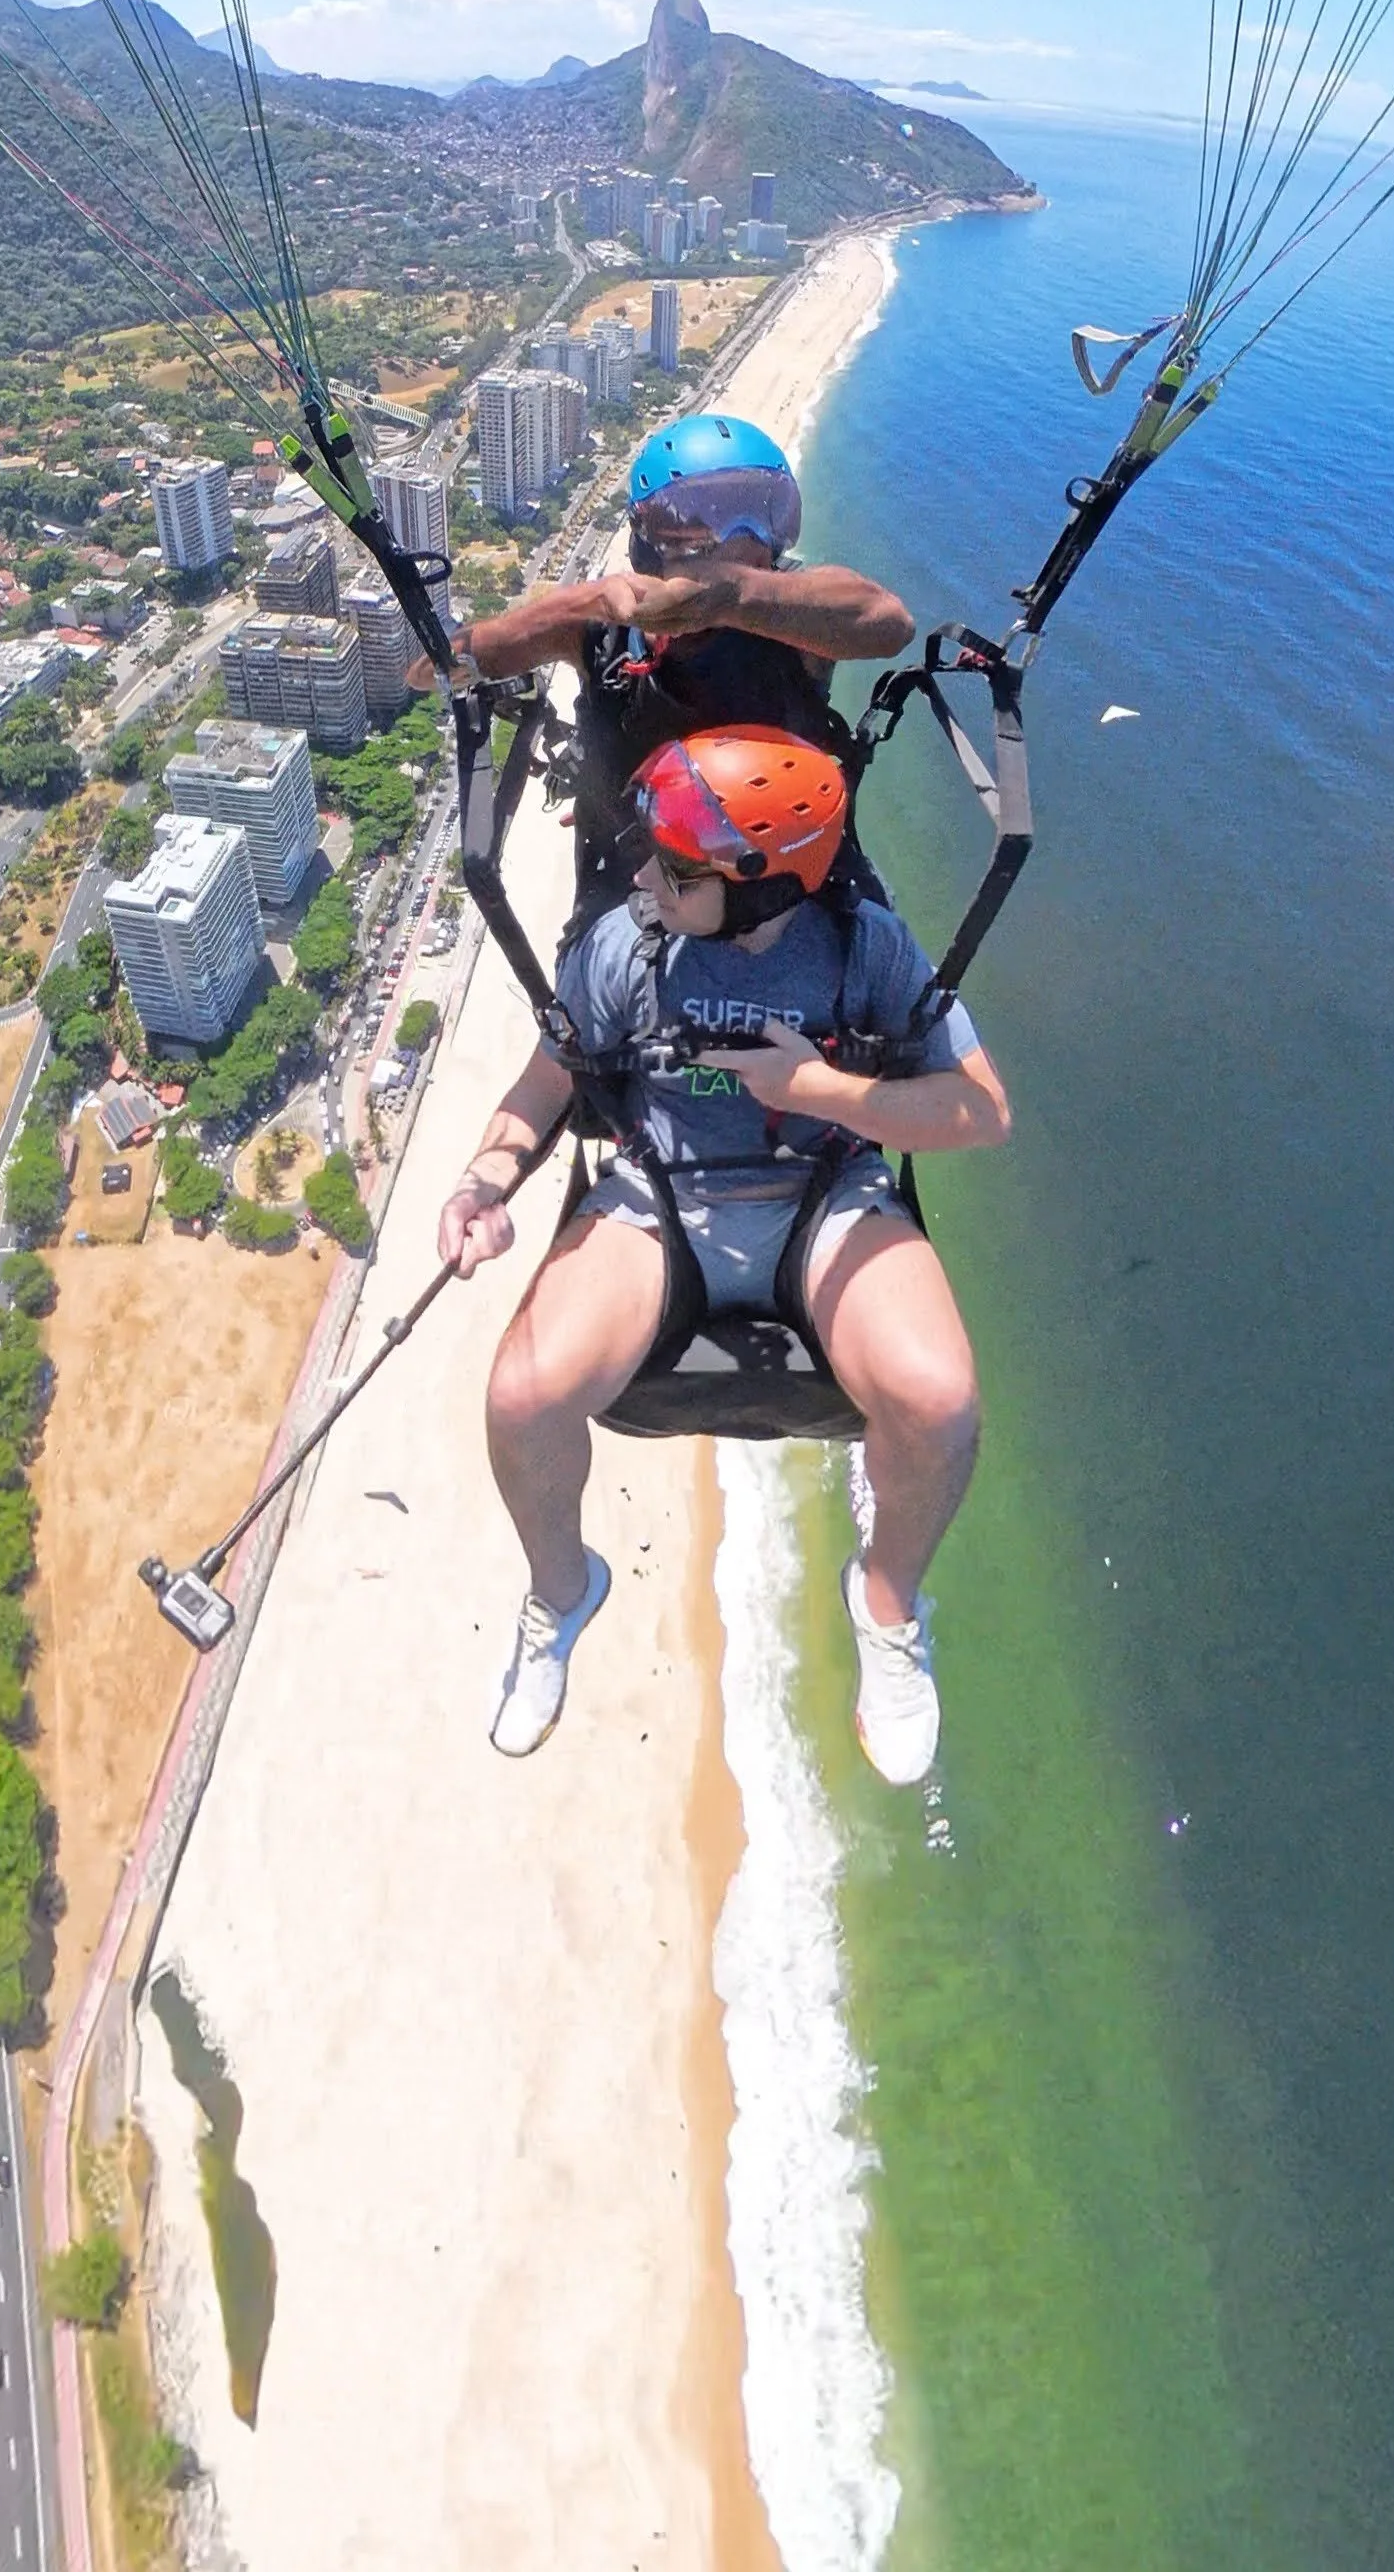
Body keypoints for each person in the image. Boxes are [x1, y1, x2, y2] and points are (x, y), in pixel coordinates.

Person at [438, 725, 1010, 1781]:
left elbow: (981, 1113)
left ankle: (886, 1606)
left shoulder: (865, 947)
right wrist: (486, 1179)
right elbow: (547, 1081)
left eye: (681, 870)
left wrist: (822, 1093)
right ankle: (562, 1591)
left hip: (823, 1194)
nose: (649, 877)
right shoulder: (628, 942)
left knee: (942, 1399)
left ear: (761, 886)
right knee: (521, 1394)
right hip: (662, 1198)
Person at [424, 411, 916, 934]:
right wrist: (574, 609)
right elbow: (435, 669)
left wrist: (728, 598)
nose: (739, 540)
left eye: (758, 513)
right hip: (639, 891)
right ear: (646, 546)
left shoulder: (792, 606)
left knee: (900, 978)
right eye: (698, 526)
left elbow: (887, 623)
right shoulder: (603, 628)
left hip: (790, 876)